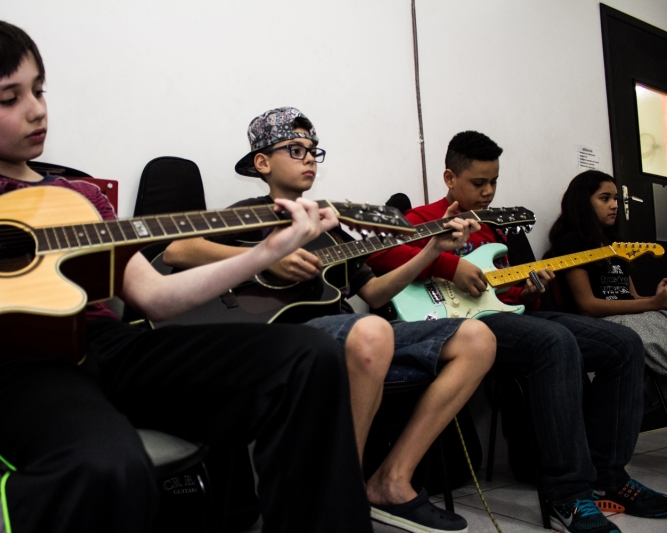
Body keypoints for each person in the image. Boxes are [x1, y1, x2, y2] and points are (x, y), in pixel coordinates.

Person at [0, 20, 375, 533]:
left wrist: (268, 250)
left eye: (39, 90)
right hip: (8, 361)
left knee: (309, 357)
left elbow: (155, 296)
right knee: (104, 464)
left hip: (106, 344)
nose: (37, 109)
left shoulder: (80, 197)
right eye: (8, 98)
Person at [164, 107, 497, 533]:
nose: (308, 159)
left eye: (313, 151)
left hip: (351, 338)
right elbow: (176, 250)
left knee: (477, 339)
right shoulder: (249, 213)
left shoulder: (329, 225)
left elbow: (374, 292)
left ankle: (389, 481)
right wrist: (264, 256)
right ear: (262, 163)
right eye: (295, 149)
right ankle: (341, 494)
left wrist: (432, 251)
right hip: (287, 341)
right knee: (371, 330)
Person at [367, 130, 667, 533]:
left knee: (623, 343)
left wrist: (530, 289)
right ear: (449, 178)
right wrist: (450, 265)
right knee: (554, 342)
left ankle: (608, 476)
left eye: (494, 182)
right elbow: (380, 253)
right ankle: (568, 493)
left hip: (504, 319)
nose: (489, 191)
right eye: (478, 183)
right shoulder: (422, 218)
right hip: (457, 328)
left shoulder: (493, 228)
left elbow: (505, 296)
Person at [546, 170, 667, 394]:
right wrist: (653, 304)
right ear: (583, 203)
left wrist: (656, 298)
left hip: (629, 316)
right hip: (602, 322)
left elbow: (632, 297)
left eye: (616, 199)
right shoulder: (572, 245)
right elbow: (588, 307)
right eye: (605, 198)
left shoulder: (615, 246)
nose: (614, 205)